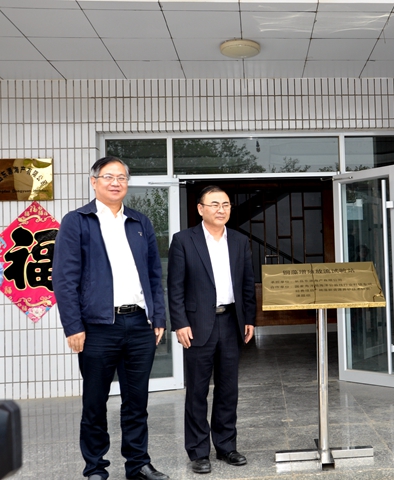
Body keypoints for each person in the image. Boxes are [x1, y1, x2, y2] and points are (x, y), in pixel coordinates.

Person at [52, 157, 169, 480]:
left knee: (137, 401)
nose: (116, 182)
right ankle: (95, 467)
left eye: (121, 177)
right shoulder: (77, 221)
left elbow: (154, 274)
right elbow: (64, 279)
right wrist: (73, 326)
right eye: (108, 177)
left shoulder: (140, 222)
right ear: (94, 182)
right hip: (98, 327)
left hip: (139, 325)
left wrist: (158, 317)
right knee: (95, 402)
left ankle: (138, 464)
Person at [167, 185, 256, 474]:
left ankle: (226, 446)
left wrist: (249, 318)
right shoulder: (184, 240)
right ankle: (198, 451)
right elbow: (175, 287)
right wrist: (180, 323)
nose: (221, 209)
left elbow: (247, 284)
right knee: (197, 390)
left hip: (231, 322)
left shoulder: (239, 241)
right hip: (197, 325)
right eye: (214, 204)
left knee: (228, 389)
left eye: (226, 204)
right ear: (200, 209)